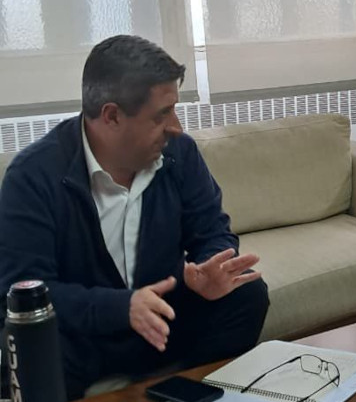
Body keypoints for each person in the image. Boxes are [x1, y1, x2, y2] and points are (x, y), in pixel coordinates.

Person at [0, 35, 270, 398]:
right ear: (111, 116)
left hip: (163, 319)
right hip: (86, 336)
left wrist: (210, 269)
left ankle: (185, 391)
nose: (176, 126)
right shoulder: (33, 175)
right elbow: (22, 290)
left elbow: (212, 232)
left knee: (246, 295)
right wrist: (122, 307)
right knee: (28, 348)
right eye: (161, 114)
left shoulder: (180, 154)